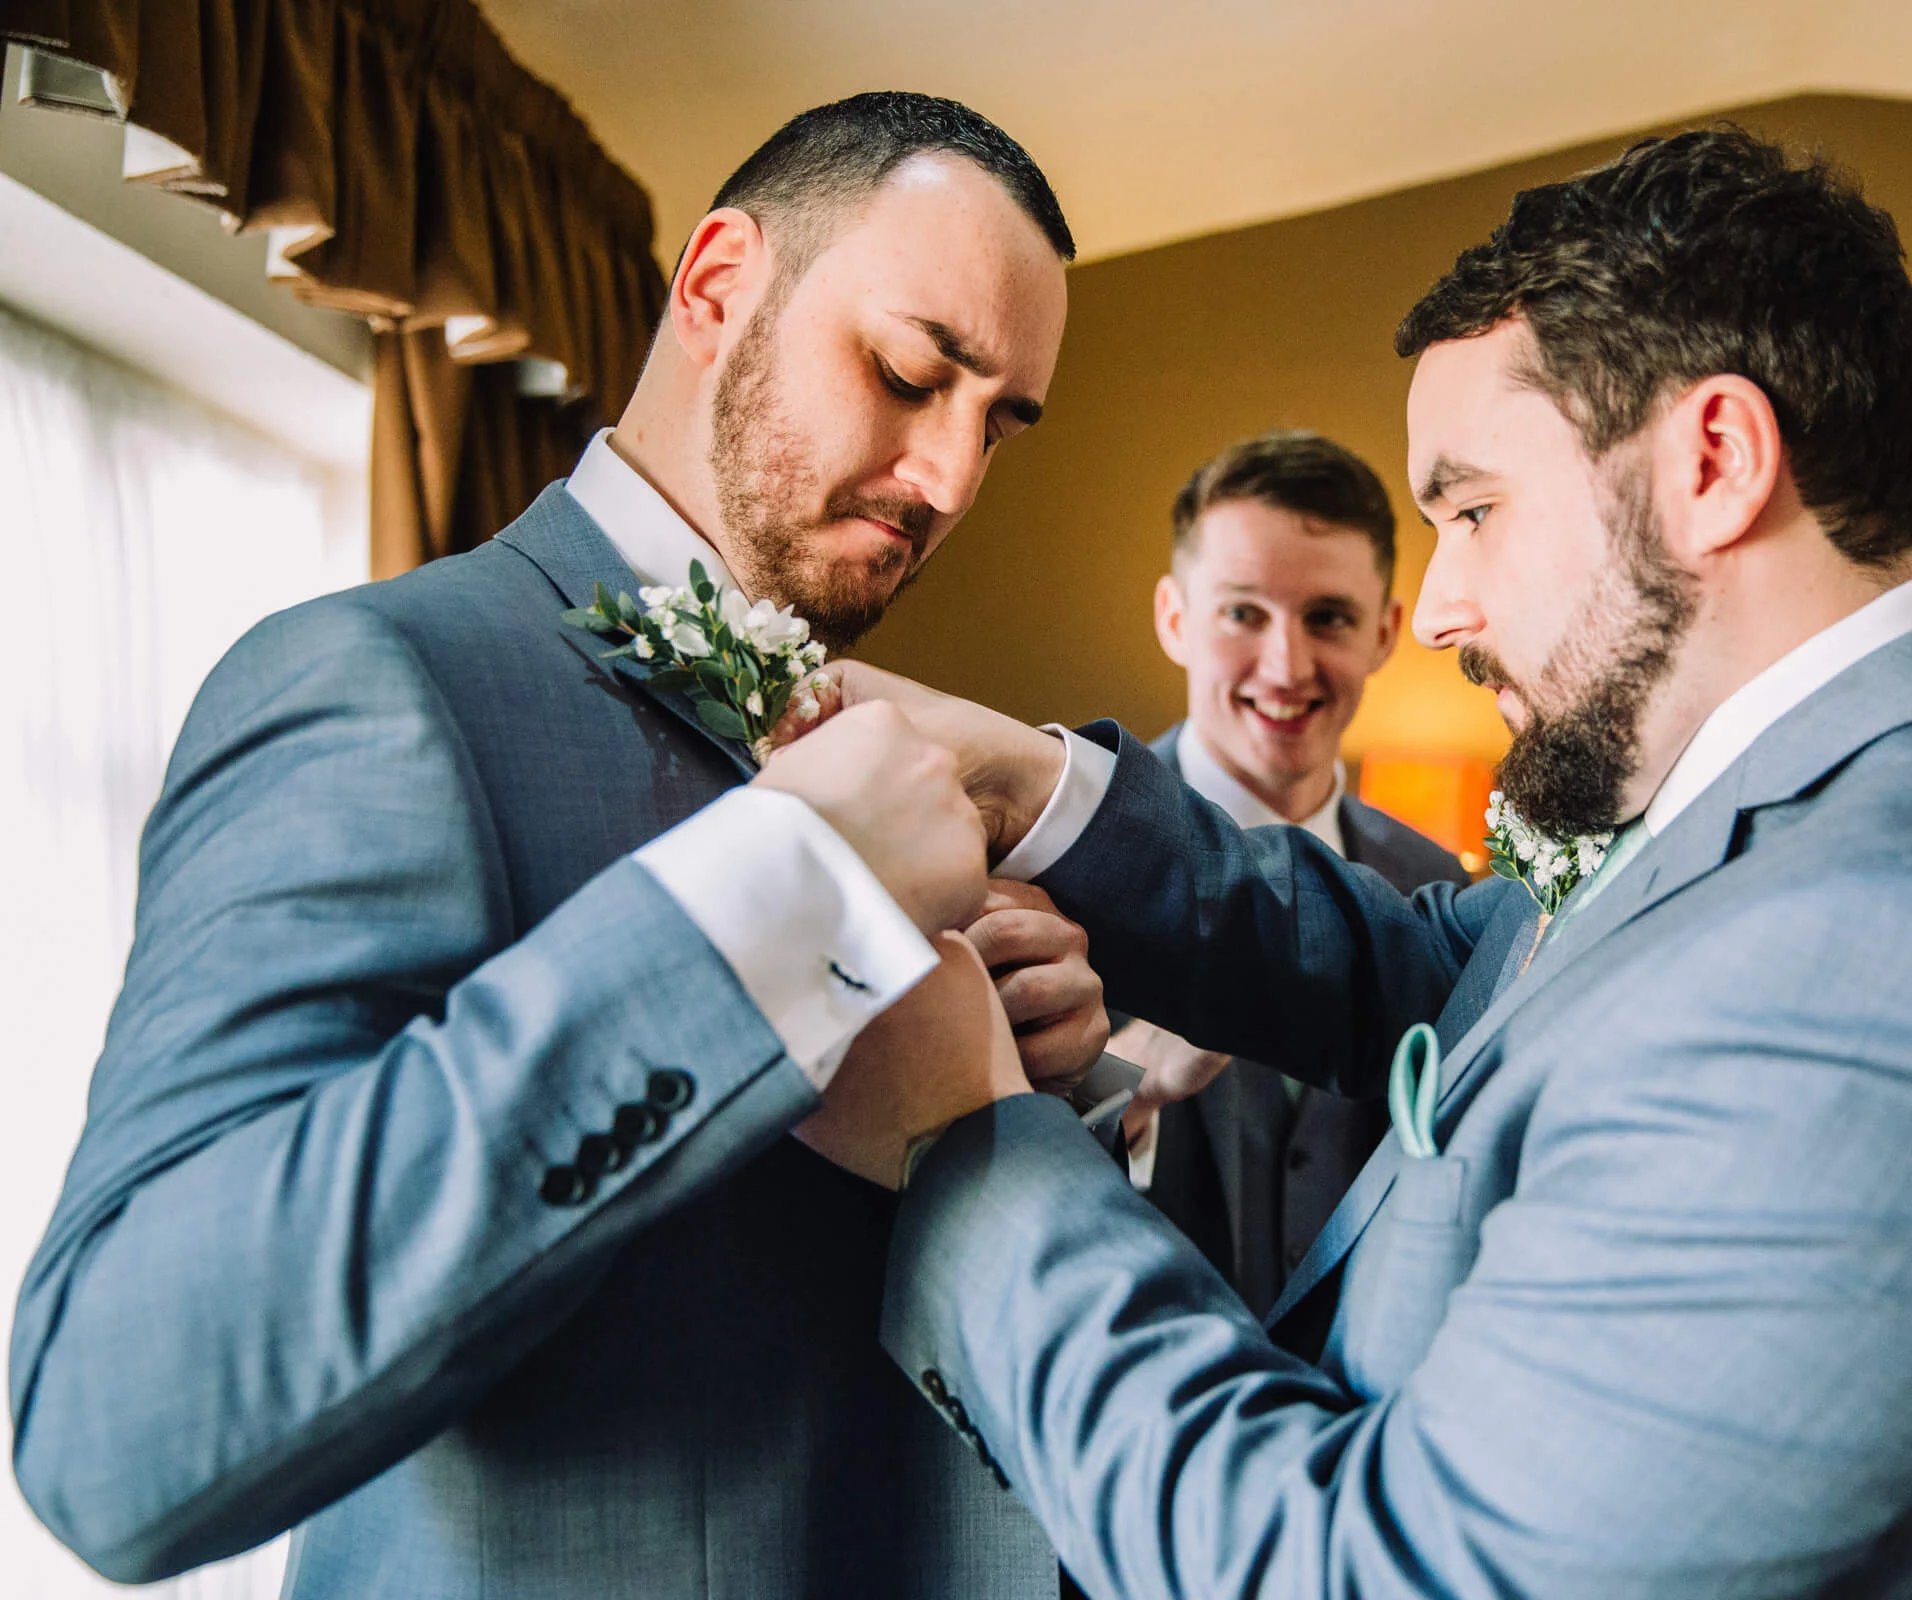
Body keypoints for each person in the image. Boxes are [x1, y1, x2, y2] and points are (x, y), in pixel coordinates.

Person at [802, 127, 1912, 1596]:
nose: (1439, 611)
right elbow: (1446, 967)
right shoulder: (1817, 811)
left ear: (1713, 463)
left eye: (1475, 511)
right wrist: (1038, 785)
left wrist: (966, 1142)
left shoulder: (1900, 968)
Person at [10, 93, 1106, 1598]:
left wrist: (1018, 1084)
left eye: (1000, 427)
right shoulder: (381, 682)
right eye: (911, 374)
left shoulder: (898, 749)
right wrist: (790, 902)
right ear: (716, 285)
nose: (950, 480)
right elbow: (112, 1428)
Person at [1116, 430, 1467, 1317]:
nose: (1286, 668)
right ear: (1174, 619)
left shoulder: (1437, 886)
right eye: (1243, 614)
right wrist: (1120, 1086)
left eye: (1329, 618)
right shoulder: (1072, 860)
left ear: (1385, 632)